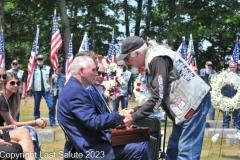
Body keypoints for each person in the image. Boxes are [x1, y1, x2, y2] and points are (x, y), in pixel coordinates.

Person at [117, 36, 211, 160]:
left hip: (194, 104)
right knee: (173, 150)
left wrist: (133, 118)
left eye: (127, 58)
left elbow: (158, 97)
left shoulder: (157, 60)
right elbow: (157, 95)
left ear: (137, 53)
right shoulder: (154, 57)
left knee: (186, 153)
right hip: (185, 106)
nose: (127, 62)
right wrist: (133, 110)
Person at [58, 55, 148, 160]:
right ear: (82, 71)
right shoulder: (76, 91)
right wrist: (119, 115)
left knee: (136, 141)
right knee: (138, 150)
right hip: (91, 150)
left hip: (92, 144)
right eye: (94, 70)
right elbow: (93, 122)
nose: (96, 74)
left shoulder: (73, 88)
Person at [0, 72, 47, 160]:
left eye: (18, 83)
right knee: (25, 132)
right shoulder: (1, 99)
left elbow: (12, 124)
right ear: (5, 84)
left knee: (24, 135)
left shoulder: (9, 100)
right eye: (12, 83)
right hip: (1, 132)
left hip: (2, 132)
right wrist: (35, 122)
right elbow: (12, 123)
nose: (16, 86)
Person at [32, 54, 55, 126]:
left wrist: (51, 89)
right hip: (37, 90)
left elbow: (50, 79)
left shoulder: (48, 68)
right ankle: (37, 122)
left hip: (47, 90)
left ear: (43, 60)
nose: (40, 61)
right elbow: (31, 80)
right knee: (36, 107)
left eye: (41, 59)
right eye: (38, 59)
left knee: (51, 106)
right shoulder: (33, 69)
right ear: (36, 60)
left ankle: (52, 123)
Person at [222, 62, 240, 129]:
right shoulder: (225, 75)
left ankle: (237, 125)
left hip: (236, 95)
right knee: (226, 111)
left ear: (236, 68)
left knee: (237, 111)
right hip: (227, 94)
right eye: (231, 67)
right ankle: (226, 125)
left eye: (234, 67)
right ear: (229, 67)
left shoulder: (238, 75)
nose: (232, 69)